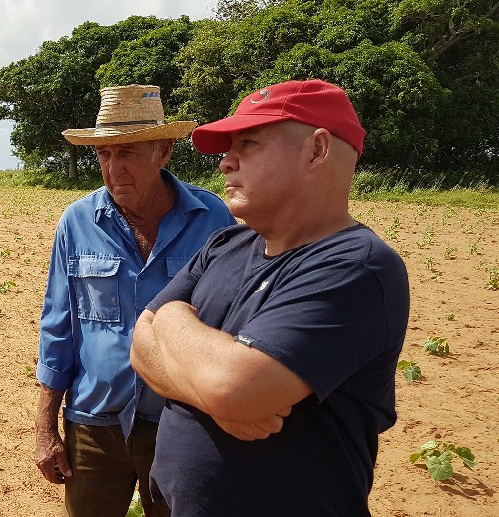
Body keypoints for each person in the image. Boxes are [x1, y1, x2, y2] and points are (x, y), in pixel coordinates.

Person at [130, 79, 411, 516]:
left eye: (249, 143)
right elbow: (139, 349)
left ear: (317, 150)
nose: (227, 162)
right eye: (229, 147)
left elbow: (233, 388)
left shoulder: (357, 267)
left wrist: (168, 317)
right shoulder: (224, 245)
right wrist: (212, 391)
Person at [35, 84, 236, 516]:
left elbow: (229, 324)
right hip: (93, 422)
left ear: (163, 151)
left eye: (127, 153)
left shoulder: (213, 219)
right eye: (104, 155)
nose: (114, 168)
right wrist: (45, 427)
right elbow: (59, 324)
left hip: (181, 420)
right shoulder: (77, 221)